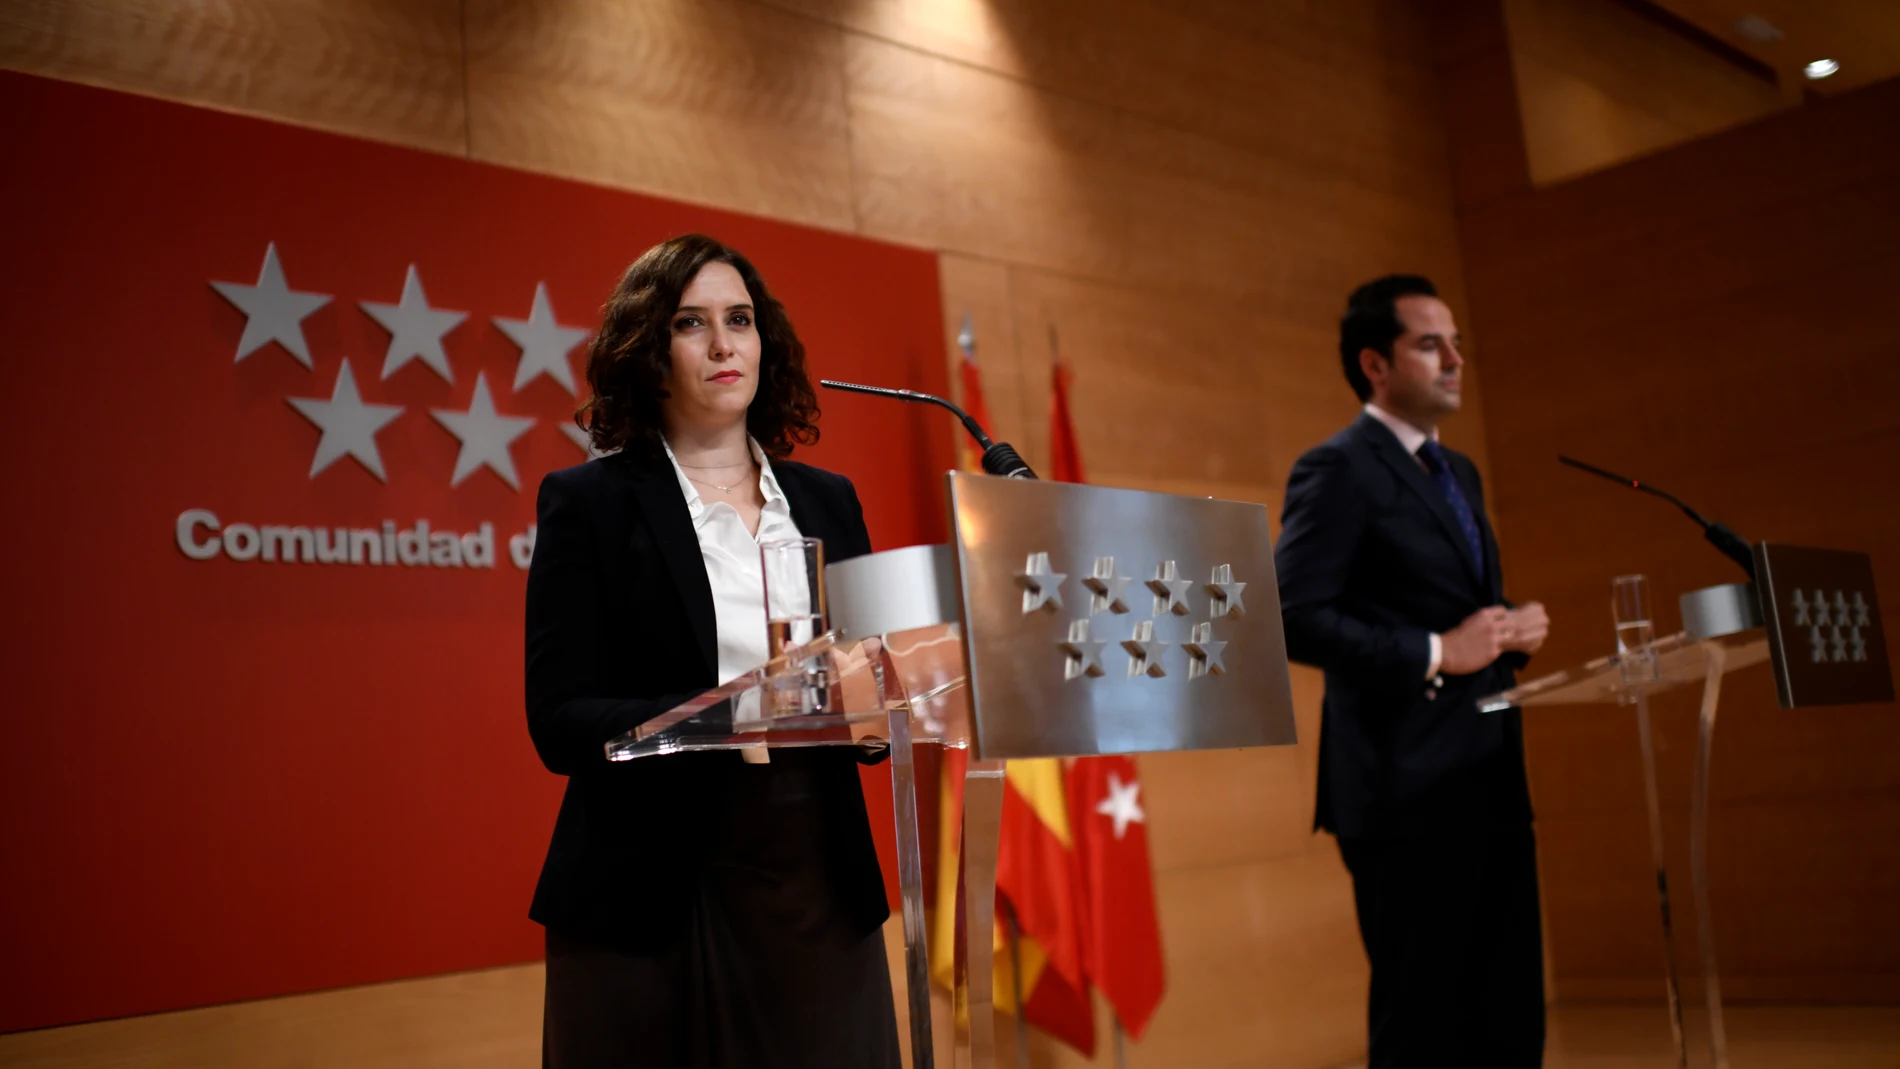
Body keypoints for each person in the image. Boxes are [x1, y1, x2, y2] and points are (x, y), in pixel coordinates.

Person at [524, 233, 899, 1068]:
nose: (725, 344)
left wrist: (882, 706)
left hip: (813, 878)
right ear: (647, 350)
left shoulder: (829, 502)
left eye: (741, 319)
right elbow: (558, 721)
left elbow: (871, 682)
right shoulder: (588, 502)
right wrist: (729, 715)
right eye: (692, 323)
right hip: (647, 887)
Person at [1274, 275, 1552, 1067]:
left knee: (1507, 1021)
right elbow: (1291, 615)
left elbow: (1453, 609)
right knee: (1426, 1026)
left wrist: (1506, 633)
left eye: (1456, 342)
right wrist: (1438, 650)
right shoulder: (1336, 468)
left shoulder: (1457, 472)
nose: (1456, 359)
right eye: (1431, 344)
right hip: (1403, 795)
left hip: (1491, 781)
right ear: (1375, 364)